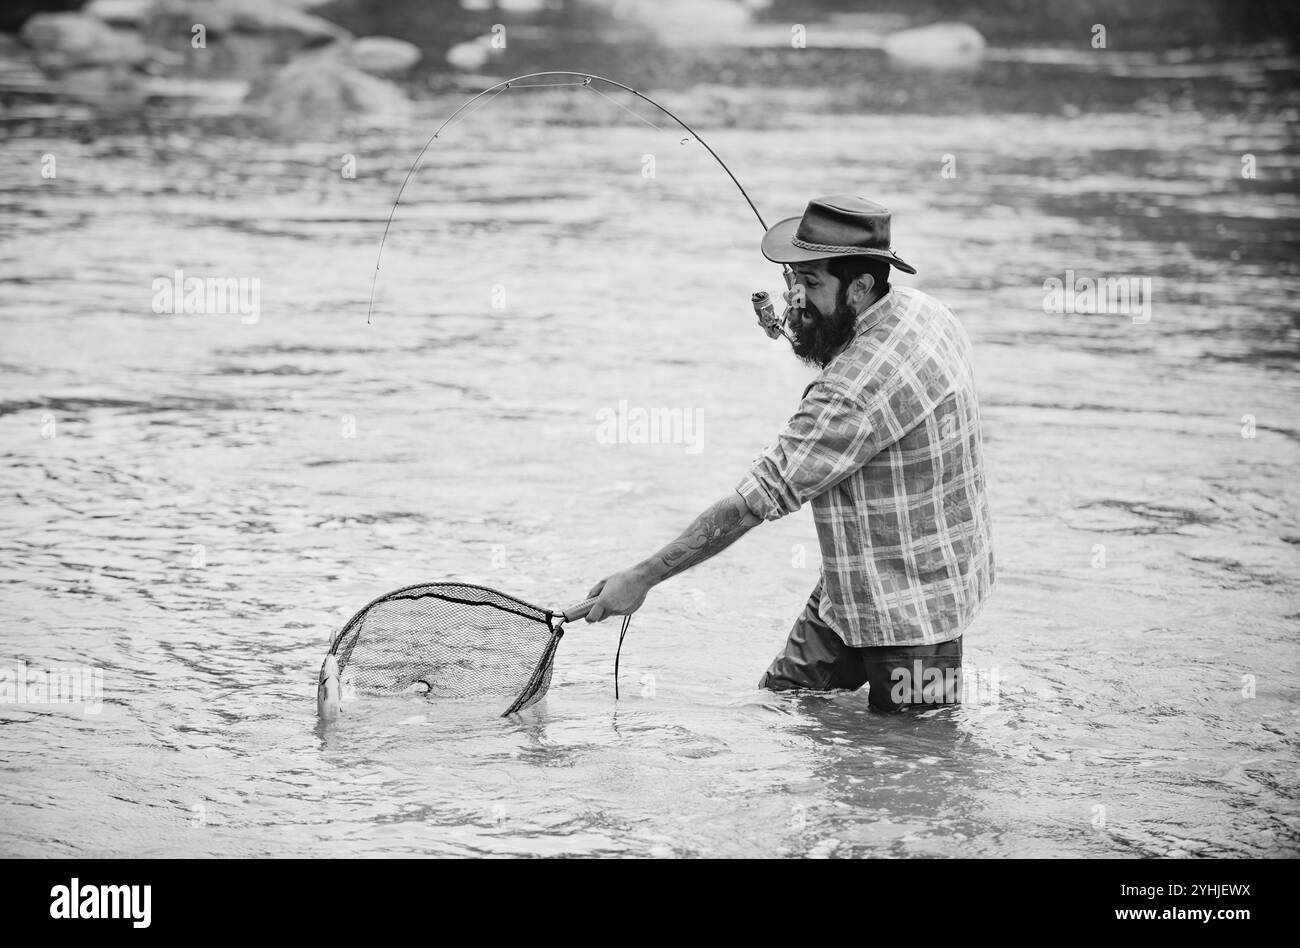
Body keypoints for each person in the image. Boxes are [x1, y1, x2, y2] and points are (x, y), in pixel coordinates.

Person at [583, 195, 994, 712]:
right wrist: (801, 322)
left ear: (862, 286)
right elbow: (854, 362)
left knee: (913, 764)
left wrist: (640, 579)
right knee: (781, 707)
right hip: (854, 586)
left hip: (918, 616)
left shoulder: (851, 393)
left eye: (813, 284)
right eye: (791, 280)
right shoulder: (924, 312)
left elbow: (756, 500)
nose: (796, 297)